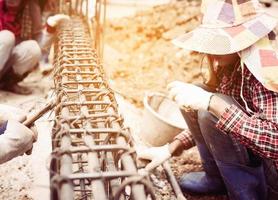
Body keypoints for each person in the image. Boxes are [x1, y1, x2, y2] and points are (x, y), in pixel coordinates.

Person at [137, 0, 278, 200]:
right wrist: (171, 147)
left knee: (211, 104)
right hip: (258, 153)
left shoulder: (268, 71)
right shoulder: (237, 62)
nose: (211, 53)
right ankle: (217, 178)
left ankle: (249, 194)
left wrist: (214, 103)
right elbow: (215, 121)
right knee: (199, 98)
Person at [0, 0, 69, 94]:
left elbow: (39, 45)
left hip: (8, 62)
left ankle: (6, 83)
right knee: (7, 37)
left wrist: (51, 26)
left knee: (33, 48)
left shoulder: (30, 9)